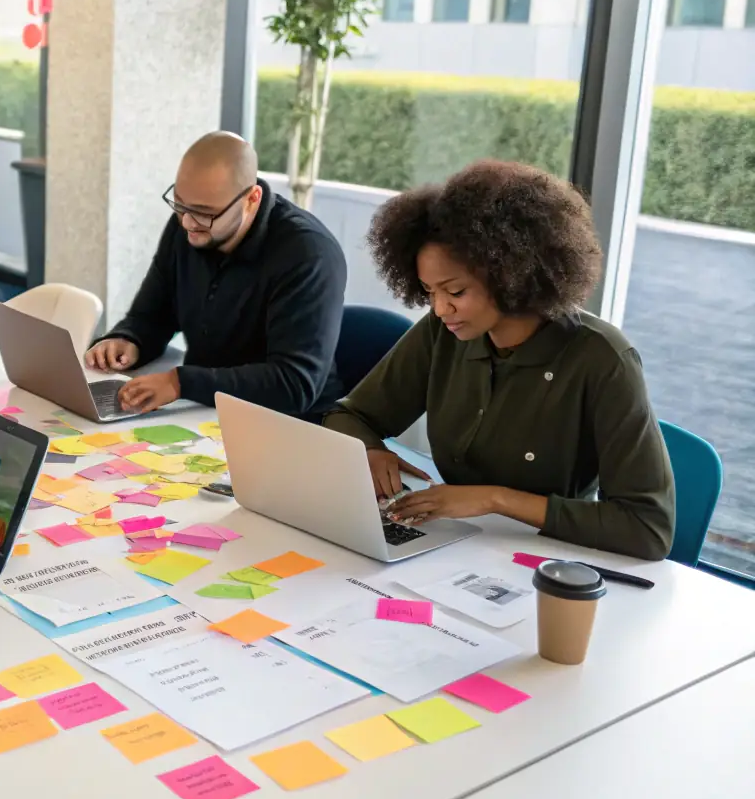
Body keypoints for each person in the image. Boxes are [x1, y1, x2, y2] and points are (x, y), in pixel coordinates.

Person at [324, 160, 675, 561]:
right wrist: (370, 450)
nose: (440, 309)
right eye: (429, 291)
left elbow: (648, 528)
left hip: (547, 560)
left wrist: (495, 499)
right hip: (455, 547)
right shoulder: (446, 331)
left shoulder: (603, 359)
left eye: (455, 291)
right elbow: (349, 416)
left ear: (512, 274)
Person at [84, 131, 347, 419]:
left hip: (291, 426)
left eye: (204, 212)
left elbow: (294, 383)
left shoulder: (308, 254)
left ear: (251, 199)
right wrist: (129, 340)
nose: (187, 222)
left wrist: (180, 382)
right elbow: (154, 314)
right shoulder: (188, 227)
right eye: (180, 204)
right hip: (204, 412)